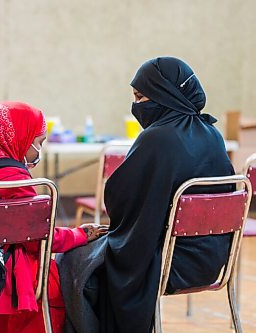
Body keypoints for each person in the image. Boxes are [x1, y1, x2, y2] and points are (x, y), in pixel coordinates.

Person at [57, 57, 235, 333]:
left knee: (72, 259)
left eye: (140, 96)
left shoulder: (158, 138)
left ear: (165, 95)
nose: (136, 105)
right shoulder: (212, 134)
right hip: (214, 260)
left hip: (170, 262)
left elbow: (122, 200)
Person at [0, 101, 108, 333]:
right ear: (19, 138)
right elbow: (40, 240)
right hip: (13, 280)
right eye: (39, 142)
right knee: (71, 280)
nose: (38, 150)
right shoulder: (15, 180)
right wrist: (80, 234)